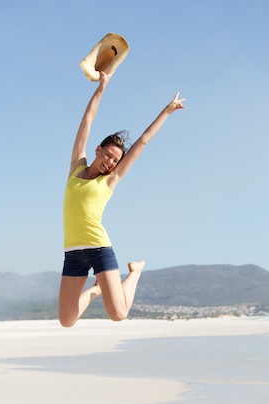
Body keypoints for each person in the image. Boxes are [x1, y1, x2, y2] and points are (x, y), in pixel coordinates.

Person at [58, 71, 185, 327]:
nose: (110, 162)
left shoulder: (109, 181)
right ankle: (96, 290)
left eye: (115, 160)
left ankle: (135, 272)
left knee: (119, 314)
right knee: (66, 320)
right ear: (98, 150)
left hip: (99, 248)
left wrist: (167, 111)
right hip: (73, 252)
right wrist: (102, 87)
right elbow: (87, 120)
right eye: (108, 155)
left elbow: (143, 142)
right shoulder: (76, 168)